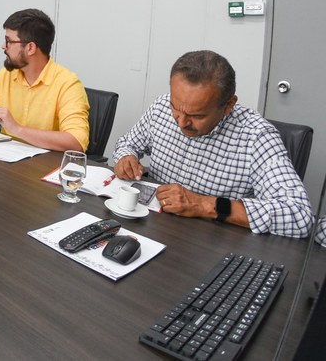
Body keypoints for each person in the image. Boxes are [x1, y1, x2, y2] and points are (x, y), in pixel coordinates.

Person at [113, 50, 313, 238]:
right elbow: (127, 144)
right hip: (152, 226)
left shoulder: (256, 137)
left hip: (211, 243)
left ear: (228, 105)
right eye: (176, 108)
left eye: (196, 115)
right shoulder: (161, 108)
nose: (181, 122)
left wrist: (204, 205)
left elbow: (298, 215)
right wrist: (126, 157)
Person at [0, 8, 89, 152]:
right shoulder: (6, 75)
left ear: (30, 48)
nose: (3, 46)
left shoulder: (68, 84)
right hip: (4, 160)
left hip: (43, 168)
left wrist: (17, 129)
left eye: (8, 41)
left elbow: (76, 142)